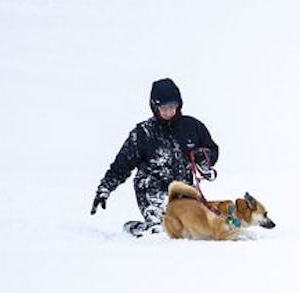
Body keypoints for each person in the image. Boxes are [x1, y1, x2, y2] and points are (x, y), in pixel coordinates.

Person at [91, 78, 219, 236]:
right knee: (165, 230)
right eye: (163, 107)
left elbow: (212, 150)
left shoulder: (192, 127)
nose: (168, 111)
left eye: (172, 106)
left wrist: (204, 157)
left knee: (192, 228)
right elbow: (121, 165)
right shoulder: (143, 133)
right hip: (151, 189)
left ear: (179, 105)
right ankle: (138, 229)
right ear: (154, 106)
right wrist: (105, 189)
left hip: (183, 190)